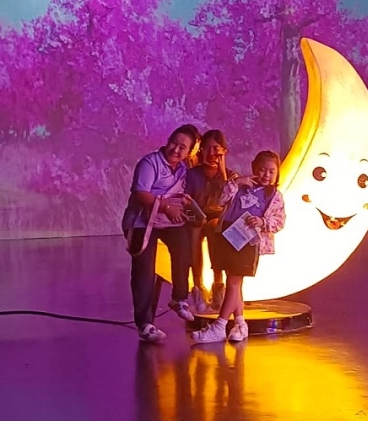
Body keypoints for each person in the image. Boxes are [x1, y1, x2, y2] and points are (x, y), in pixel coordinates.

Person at [191, 150, 286, 346]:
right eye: (262, 170)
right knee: (234, 282)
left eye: (271, 172)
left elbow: (279, 221)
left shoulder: (275, 196)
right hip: (229, 235)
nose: (266, 175)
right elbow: (221, 200)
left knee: (234, 282)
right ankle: (240, 324)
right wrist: (236, 183)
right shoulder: (242, 186)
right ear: (254, 168)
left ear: (277, 173)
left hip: (248, 241)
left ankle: (220, 325)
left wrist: (262, 221)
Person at [122, 124, 200, 344]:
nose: (176, 149)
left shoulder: (184, 168)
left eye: (183, 147)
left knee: (185, 248)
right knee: (144, 272)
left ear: (189, 152)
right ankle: (145, 324)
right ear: (168, 141)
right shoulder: (150, 163)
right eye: (174, 143)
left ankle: (179, 298)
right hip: (142, 222)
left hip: (167, 222)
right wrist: (166, 207)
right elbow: (141, 193)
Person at [185, 129, 237, 315]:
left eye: (216, 148)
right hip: (195, 218)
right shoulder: (192, 174)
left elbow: (229, 201)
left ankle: (218, 285)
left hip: (217, 219)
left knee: (216, 228)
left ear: (224, 151)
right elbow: (185, 199)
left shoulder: (230, 176)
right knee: (194, 231)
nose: (211, 153)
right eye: (207, 148)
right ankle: (198, 287)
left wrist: (222, 174)